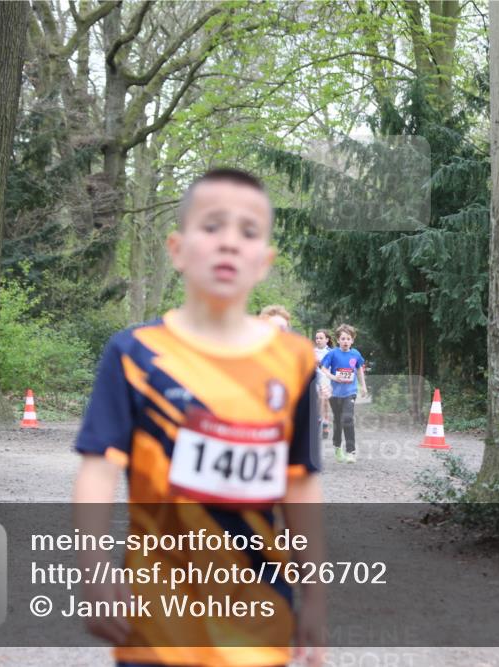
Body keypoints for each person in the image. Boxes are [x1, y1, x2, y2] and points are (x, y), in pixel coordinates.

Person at [72, 168, 325, 667]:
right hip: (157, 619)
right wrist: (95, 572)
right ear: (177, 248)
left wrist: (315, 594)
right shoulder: (134, 354)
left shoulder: (295, 361)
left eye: (248, 232)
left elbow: (299, 486)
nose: (229, 242)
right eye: (211, 226)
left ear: (265, 261)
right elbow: (98, 469)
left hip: (260, 616)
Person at [318, 324, 367, 464]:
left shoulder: (356, 354)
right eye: (343, 338)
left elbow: (359, 370)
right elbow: (323, 368)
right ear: (338, 340)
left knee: (348, 419)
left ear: (352, 340)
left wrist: (363, 386)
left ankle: (351, 451)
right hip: (335, 393)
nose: (345, 341)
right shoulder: (332, 353)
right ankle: (337, 447)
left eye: (348, 339)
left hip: (350, 392)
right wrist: (333, 377)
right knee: (338, 421)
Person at [312, 330, 333, 439]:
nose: (318, 340)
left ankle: (324, 423)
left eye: (321, 338)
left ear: (327, 340)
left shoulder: (331, 352)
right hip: (314, 380)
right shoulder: (311, 351)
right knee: (317, 402)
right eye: (317, 338)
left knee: (324, 401)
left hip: (326, 380)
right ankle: (320, 420)